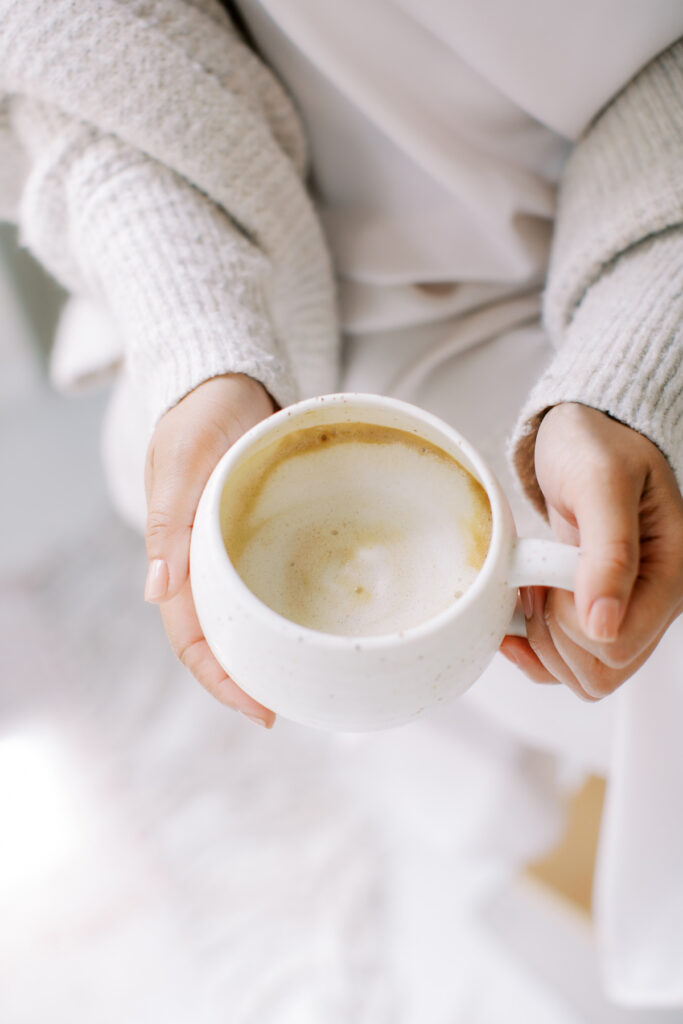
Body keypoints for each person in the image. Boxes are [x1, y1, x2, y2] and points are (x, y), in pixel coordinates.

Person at [1, 0, 682, 1008]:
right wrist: (201, 340)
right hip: (262, 277)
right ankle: (518, 864)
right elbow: (80, 58)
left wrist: (639, 361)